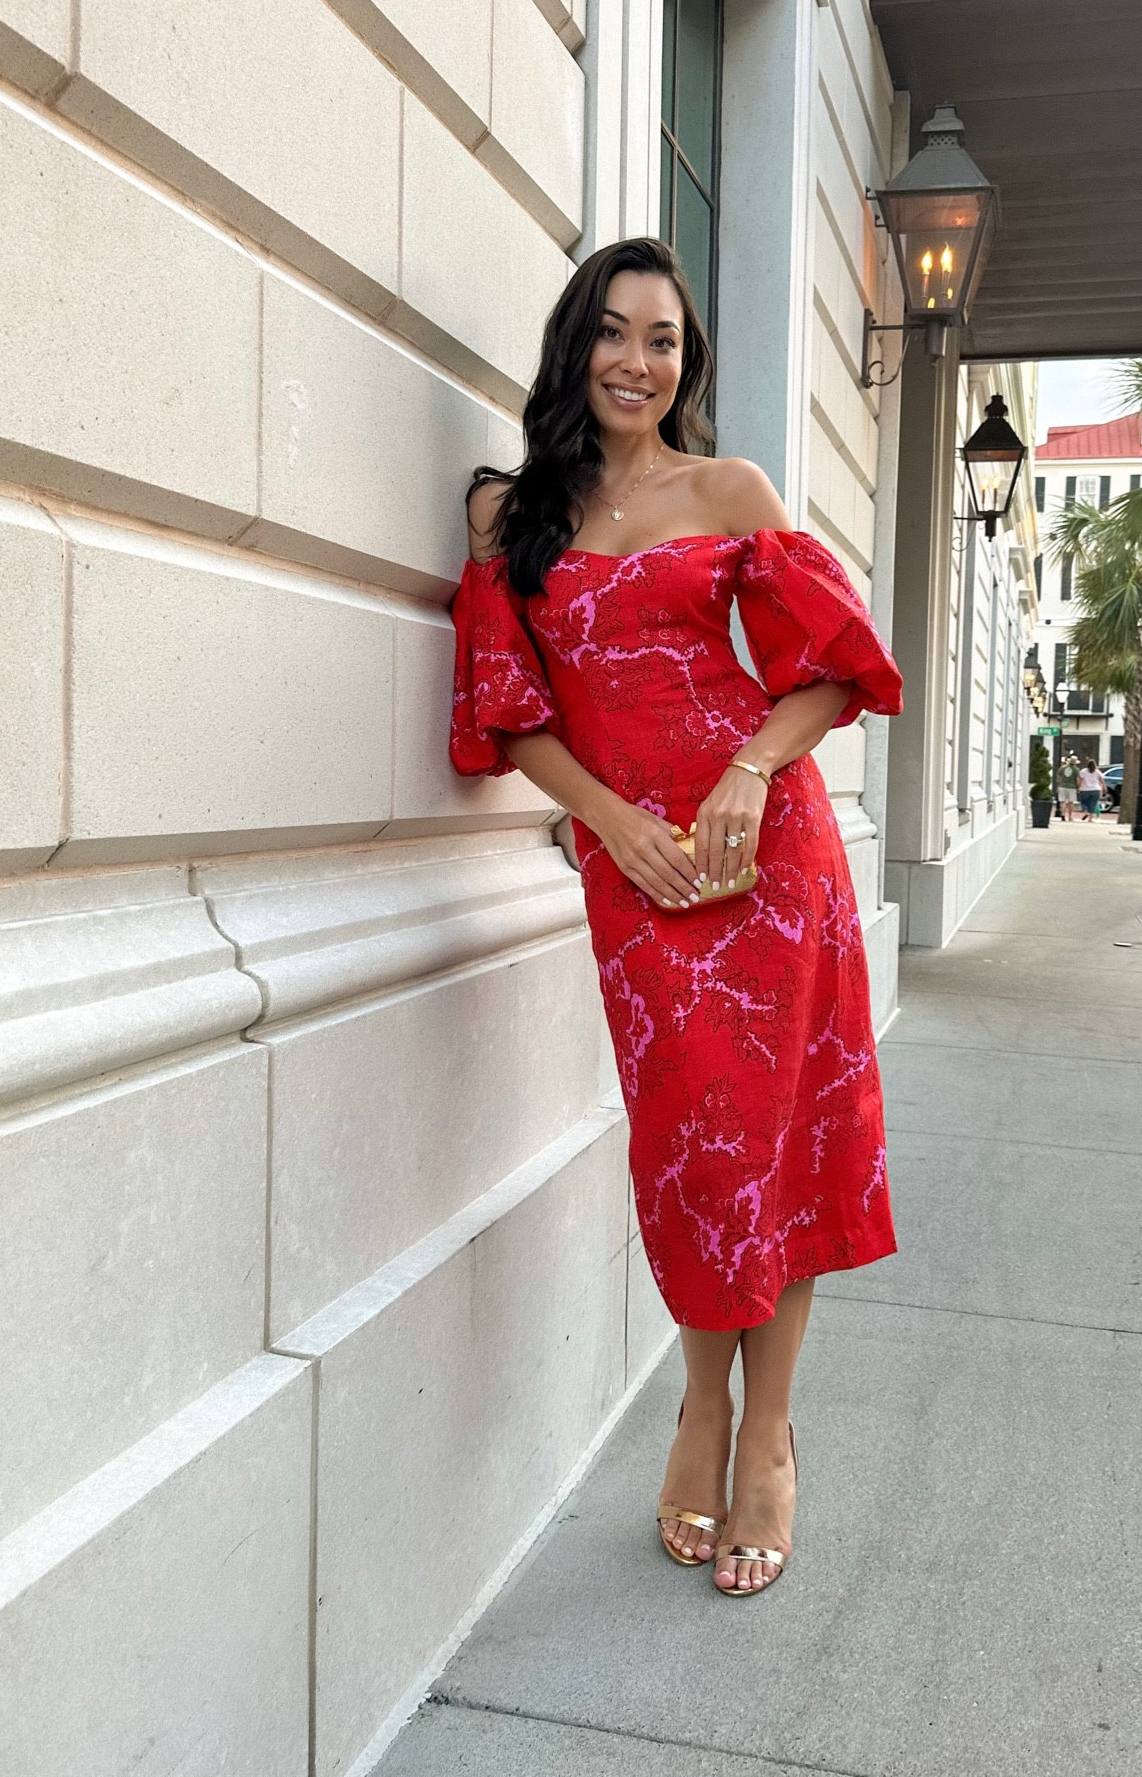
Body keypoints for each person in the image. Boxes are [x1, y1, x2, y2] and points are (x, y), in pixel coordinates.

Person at [447, 237, 904, 1599]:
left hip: (768, 865)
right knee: (693, 1160)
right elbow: (506, 715)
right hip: (635, 881)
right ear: (571, 344)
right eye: (614, 331)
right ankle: (699, 1406)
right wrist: (611, 822)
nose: (638, 361)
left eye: (663, 340)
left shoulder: (729, 492)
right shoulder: (508, 518)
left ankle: (761, 1436)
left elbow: (836, 672)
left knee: (782, 1149)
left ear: (683, 365)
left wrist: (749, 773)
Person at [1056, 751, 1080, 820]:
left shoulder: (1062, 768)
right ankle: (1070, 816)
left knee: (1062, 801)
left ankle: (1063, 814)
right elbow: (1077, 780)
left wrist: (1059, 783)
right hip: (1072, 787)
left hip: (1062, 786)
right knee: (1071, 802)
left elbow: (1058, 776)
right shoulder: (1076, 770)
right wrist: (1078, 787)